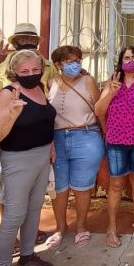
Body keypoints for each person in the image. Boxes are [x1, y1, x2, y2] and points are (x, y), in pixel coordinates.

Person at [0, 49, 57, 266]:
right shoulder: (8, 94)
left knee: (35, 208)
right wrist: (11, 114)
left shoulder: (40, 90)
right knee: (14, 214)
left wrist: (50, 146)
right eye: (24, 72)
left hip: (40, 157)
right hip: (16, 159)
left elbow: (45, 121)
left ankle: (27, 257)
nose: (31, 75)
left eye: (35, 70)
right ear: (14, 72)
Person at [0, 22, 54, 248]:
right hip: (13, 145)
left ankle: (28, 247)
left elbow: (54, 86)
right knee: (11, 200)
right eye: (22, 39)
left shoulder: (47, 66)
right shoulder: (6, 66)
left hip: (40, 147)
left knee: (34, 203)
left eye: (31, 39)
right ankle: (10, 242)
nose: (27, 43)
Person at [95, 46, 134, 247]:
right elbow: (99, 111)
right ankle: (111, 228)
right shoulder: (113, 82)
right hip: (116, 142)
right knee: (116, 185)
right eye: (126, 57)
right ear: (121, 62)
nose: (130, 60)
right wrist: (110, 93)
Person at [45, 45, 105, 249]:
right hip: (57, 139)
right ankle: (60, 228)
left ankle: (81, 227)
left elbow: (99, 110)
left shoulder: (87, 80)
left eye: (78, 60)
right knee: (59, 187)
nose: (75, 65)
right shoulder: (51, 82)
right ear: (59, 65)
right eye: (70, 62)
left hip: (86, 136)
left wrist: (106, 136)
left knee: (82, 186)